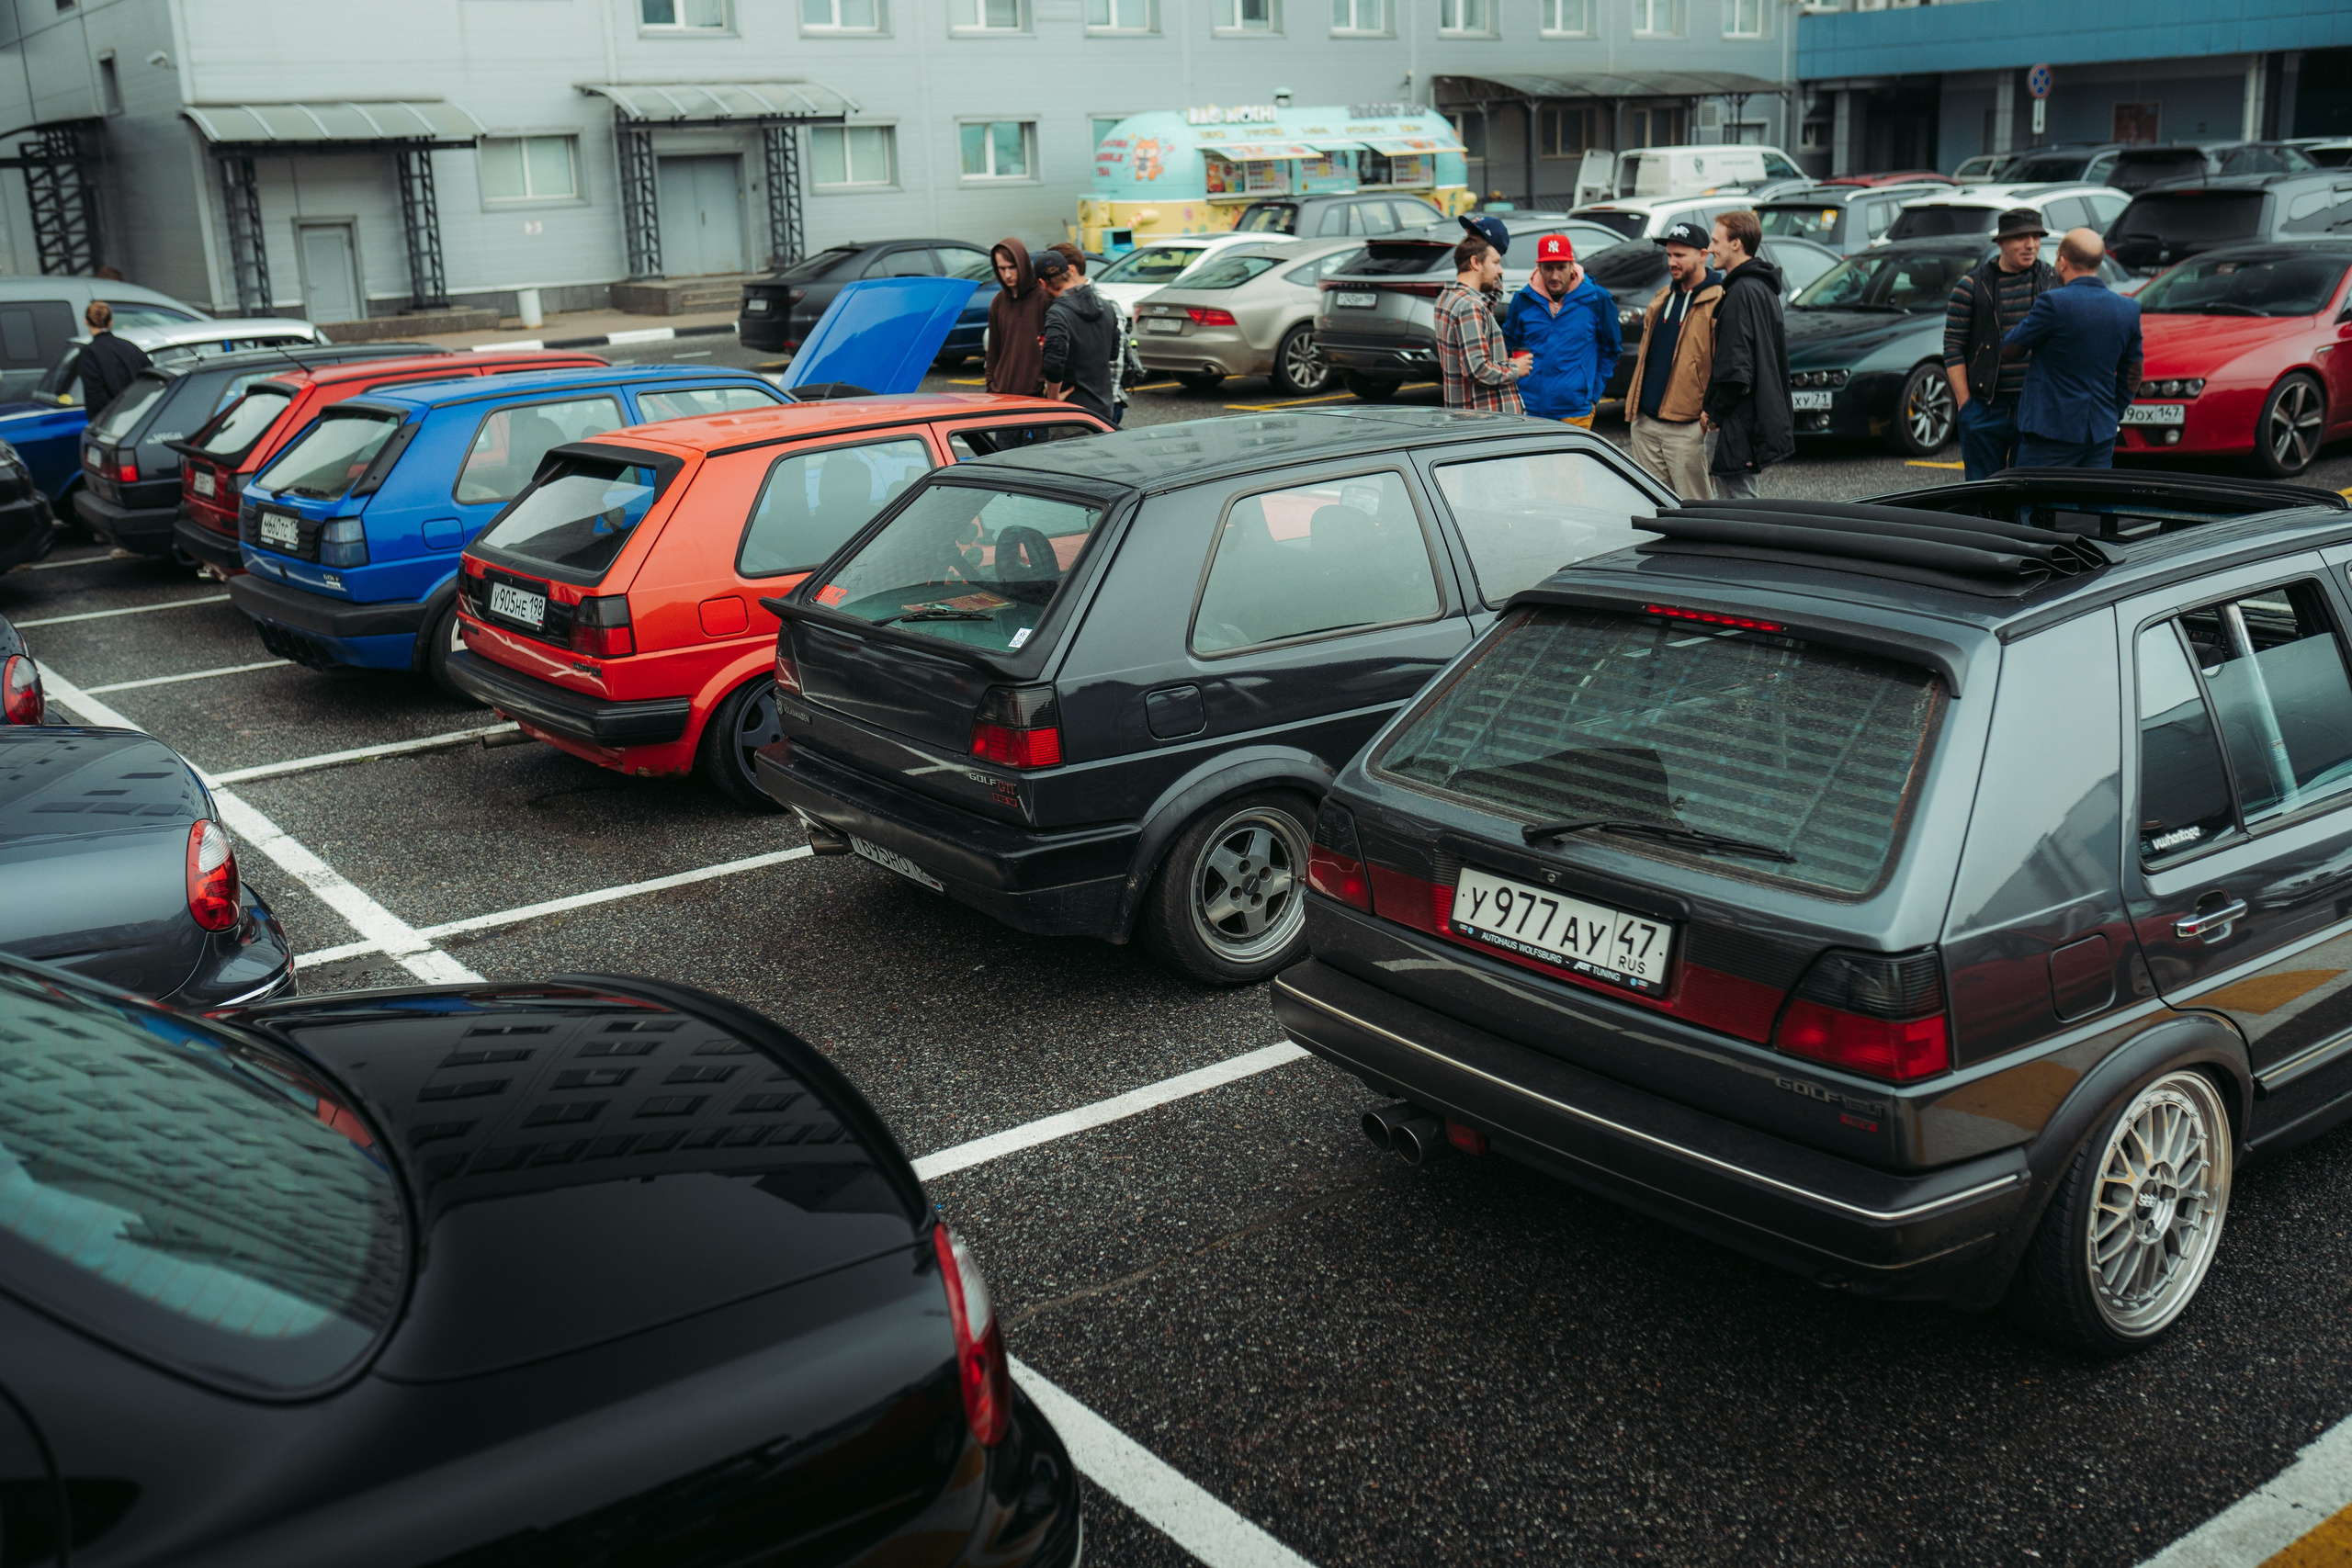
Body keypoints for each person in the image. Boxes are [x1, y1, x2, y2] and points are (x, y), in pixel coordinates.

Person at [2002, 227, 2143, 470]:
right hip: (2100, 431)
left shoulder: (2053, 303)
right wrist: (2113, 411)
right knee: (2094, 503)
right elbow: (2133, 373)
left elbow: (2010, 349)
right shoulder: (2127, 309)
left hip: (2050, 431)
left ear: (2063, 261)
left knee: (2038, 502)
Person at [1943, 208, 2056, 480]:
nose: (2031, 245)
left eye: (2036, 237)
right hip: (1985, 406)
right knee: (1983, 492)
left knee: (2030, 490)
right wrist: (1966, 405)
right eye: (2021, 238)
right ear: (2002, 242)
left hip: (2036, 405)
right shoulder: (1971, 286)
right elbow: (1953, 348)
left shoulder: (2053, 282)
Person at [1623, 220, 1724, 500]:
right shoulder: (1663, 296)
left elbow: (1725, 365)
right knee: (1654, 506)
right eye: (1669, 255)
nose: (1672, 262)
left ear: (1703, 255)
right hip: (1646, 424)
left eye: (1680, 255)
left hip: (1688, 430)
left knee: (1698, 514)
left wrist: (1707, 421)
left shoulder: (1719, 300)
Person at [1701, 209, 1792, 502]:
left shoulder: (1741, 292)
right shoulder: (1762, 288)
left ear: (1736, 243)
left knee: (1738, 514)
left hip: (1736, 425)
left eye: (1716, 241)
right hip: (1750, 421)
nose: (1710, 248)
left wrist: (1715, 415)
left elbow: (1735, 370)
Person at [1502, 233, 1620, 428]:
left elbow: (1611, 350)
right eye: (1548, 268)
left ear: (1572, 266)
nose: (1554, 276)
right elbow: (1507, 346)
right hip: (1529, 410)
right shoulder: (1523, 301)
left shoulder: (1597, 300)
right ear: (1538, 267)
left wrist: (1592, 394)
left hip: (1575, 412)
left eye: (1561, 268)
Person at [1433, 231, 1528, 414]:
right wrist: (1515, 368)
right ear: (1475, 263)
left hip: (1467, 414)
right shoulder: (1470, 306)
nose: (1500, 270)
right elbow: (1477, 369)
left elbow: (1492, 296)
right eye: (1495, 262)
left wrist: (1480, 236)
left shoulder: (1447, 298)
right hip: (1486, 419)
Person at [1049, 241, 1137, 425]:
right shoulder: (1063, 302)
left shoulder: (1104, 302)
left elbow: (1114, 361)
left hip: (1102, 405)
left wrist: (1104, 403)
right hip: (1090, 402)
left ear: (1071, 270)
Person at [1036, 249, 1120, 424]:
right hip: (1104, 410)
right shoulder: (1106, 306)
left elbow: (1054, 363)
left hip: (1072, 413)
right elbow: (1113, 353)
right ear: (1068, 272)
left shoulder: (1057, 314)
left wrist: (1053, 398)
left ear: (1042, 283)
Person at [983, 239, 1048, 398]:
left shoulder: (1044, 297)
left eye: (1012, 267)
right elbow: (993, 351)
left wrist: (1045, 385)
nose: (1007, 274)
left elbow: (1055, 349)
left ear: (1023, 264)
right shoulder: (998, 302)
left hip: (1036, 395)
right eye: (1001, 268)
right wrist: (991, 387)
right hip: (1002, 394)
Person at [75, 299, 150, 413]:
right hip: (138, 416)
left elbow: (94, 394)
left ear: (86, 321)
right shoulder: (130, 346)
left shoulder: (89, 352)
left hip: (109, 420)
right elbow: (149, 378)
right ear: (110, 322)